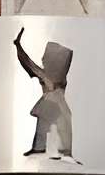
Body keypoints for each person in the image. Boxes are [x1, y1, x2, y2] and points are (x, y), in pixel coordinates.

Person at [14, 28, 77, 160]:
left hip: (56, 105)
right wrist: (18, 45)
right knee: (46, 128)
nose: (43, 60)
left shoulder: (57, 74)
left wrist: (18, 46)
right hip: (51, 105)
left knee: (61, 128)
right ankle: (43, 149)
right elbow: (28, 63)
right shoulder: (46, 74)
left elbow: (29, 63)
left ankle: (63, 151)